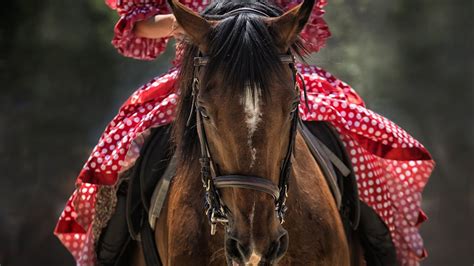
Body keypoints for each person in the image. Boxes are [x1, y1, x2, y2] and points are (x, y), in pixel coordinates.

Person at [54, 0, 435, 265]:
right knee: (130, 159)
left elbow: (300, 14)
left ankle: (379, 245)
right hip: (206, 67)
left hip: (269, 64)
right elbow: (140, 21)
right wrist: (193, 25)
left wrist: (256, 24)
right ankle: (111, 252)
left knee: (353, 142)